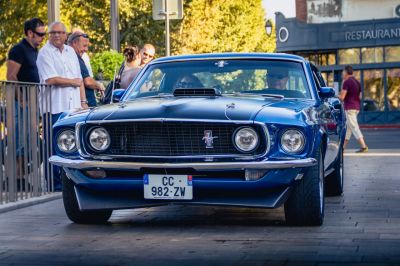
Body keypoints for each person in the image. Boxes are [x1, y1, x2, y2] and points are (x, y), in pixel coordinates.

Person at [36, 21, 88, 190]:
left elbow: (79, 79)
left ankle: (70, 181)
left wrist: (83, 102)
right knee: (53, 147)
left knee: (72, 145)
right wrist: (71, 82)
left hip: (73, 107)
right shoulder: (44, 53)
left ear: (66, 35)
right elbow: (51, 79)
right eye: (53, 33)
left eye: (60, 32)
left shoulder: (71, 52)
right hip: (54, 107)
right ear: (49, 35)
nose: (56, 35)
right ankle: (53, 183)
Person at [6, 18, 46, 190]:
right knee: (19, 140)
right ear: (30, 33)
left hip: (32, 102)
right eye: (40, 34)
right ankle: (15, 179)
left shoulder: (35, 51)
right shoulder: (18, 50)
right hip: (20, 103)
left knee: (28, 140)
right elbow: (11, 77)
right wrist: (21, 100)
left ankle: (21, 177)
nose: (43, 37)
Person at [68, 31, 105, 107]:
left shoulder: (74, 57)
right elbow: (87, 81)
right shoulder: (75, 58)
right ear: (74, 43)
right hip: (85, 106)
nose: (86, 49)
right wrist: (100, 86)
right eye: (84, 46)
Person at [339, 65, 368, 153]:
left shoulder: (346, 82)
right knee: (349, 128)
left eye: (343, 72)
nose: (342, 73)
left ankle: (363, 146)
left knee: (354, 127)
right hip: (356, 107)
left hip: (349, 108)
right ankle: (342, 148)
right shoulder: (357, 82)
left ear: (346, 72)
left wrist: (337, 95)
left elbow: (342, 97)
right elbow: (360, 96)